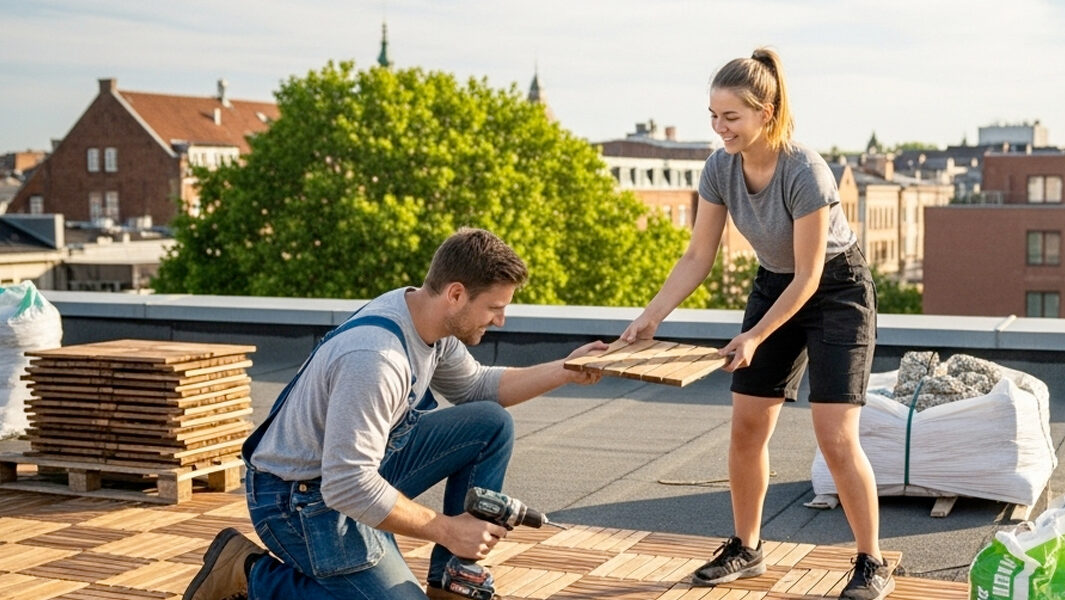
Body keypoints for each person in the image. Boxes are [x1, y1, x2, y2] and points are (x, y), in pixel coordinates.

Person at [184, 228, 606, 600]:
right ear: (456, 293)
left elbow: (478, 388)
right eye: (495, 307)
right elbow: (347, 487)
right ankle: (248, 574)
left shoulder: (425, 317)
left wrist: (567, 370)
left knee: (488, 423)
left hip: (350, 475)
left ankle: (452, 579)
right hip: (298, 502)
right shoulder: (376, 358)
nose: (501, 319)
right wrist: (449, 529)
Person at [620, 48, 891, 600]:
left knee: (835, 435)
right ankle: (746, 547)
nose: (720, 129)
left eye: (731, 118)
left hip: (836, 290)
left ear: (766, 112)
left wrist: (755, 335)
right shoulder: (720, 167)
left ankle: (872, 562)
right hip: (775, 282)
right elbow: (698, 257)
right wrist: (649, 318)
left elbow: (812, 276)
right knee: (747, 425)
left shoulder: (805, 171)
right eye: (713, 117)